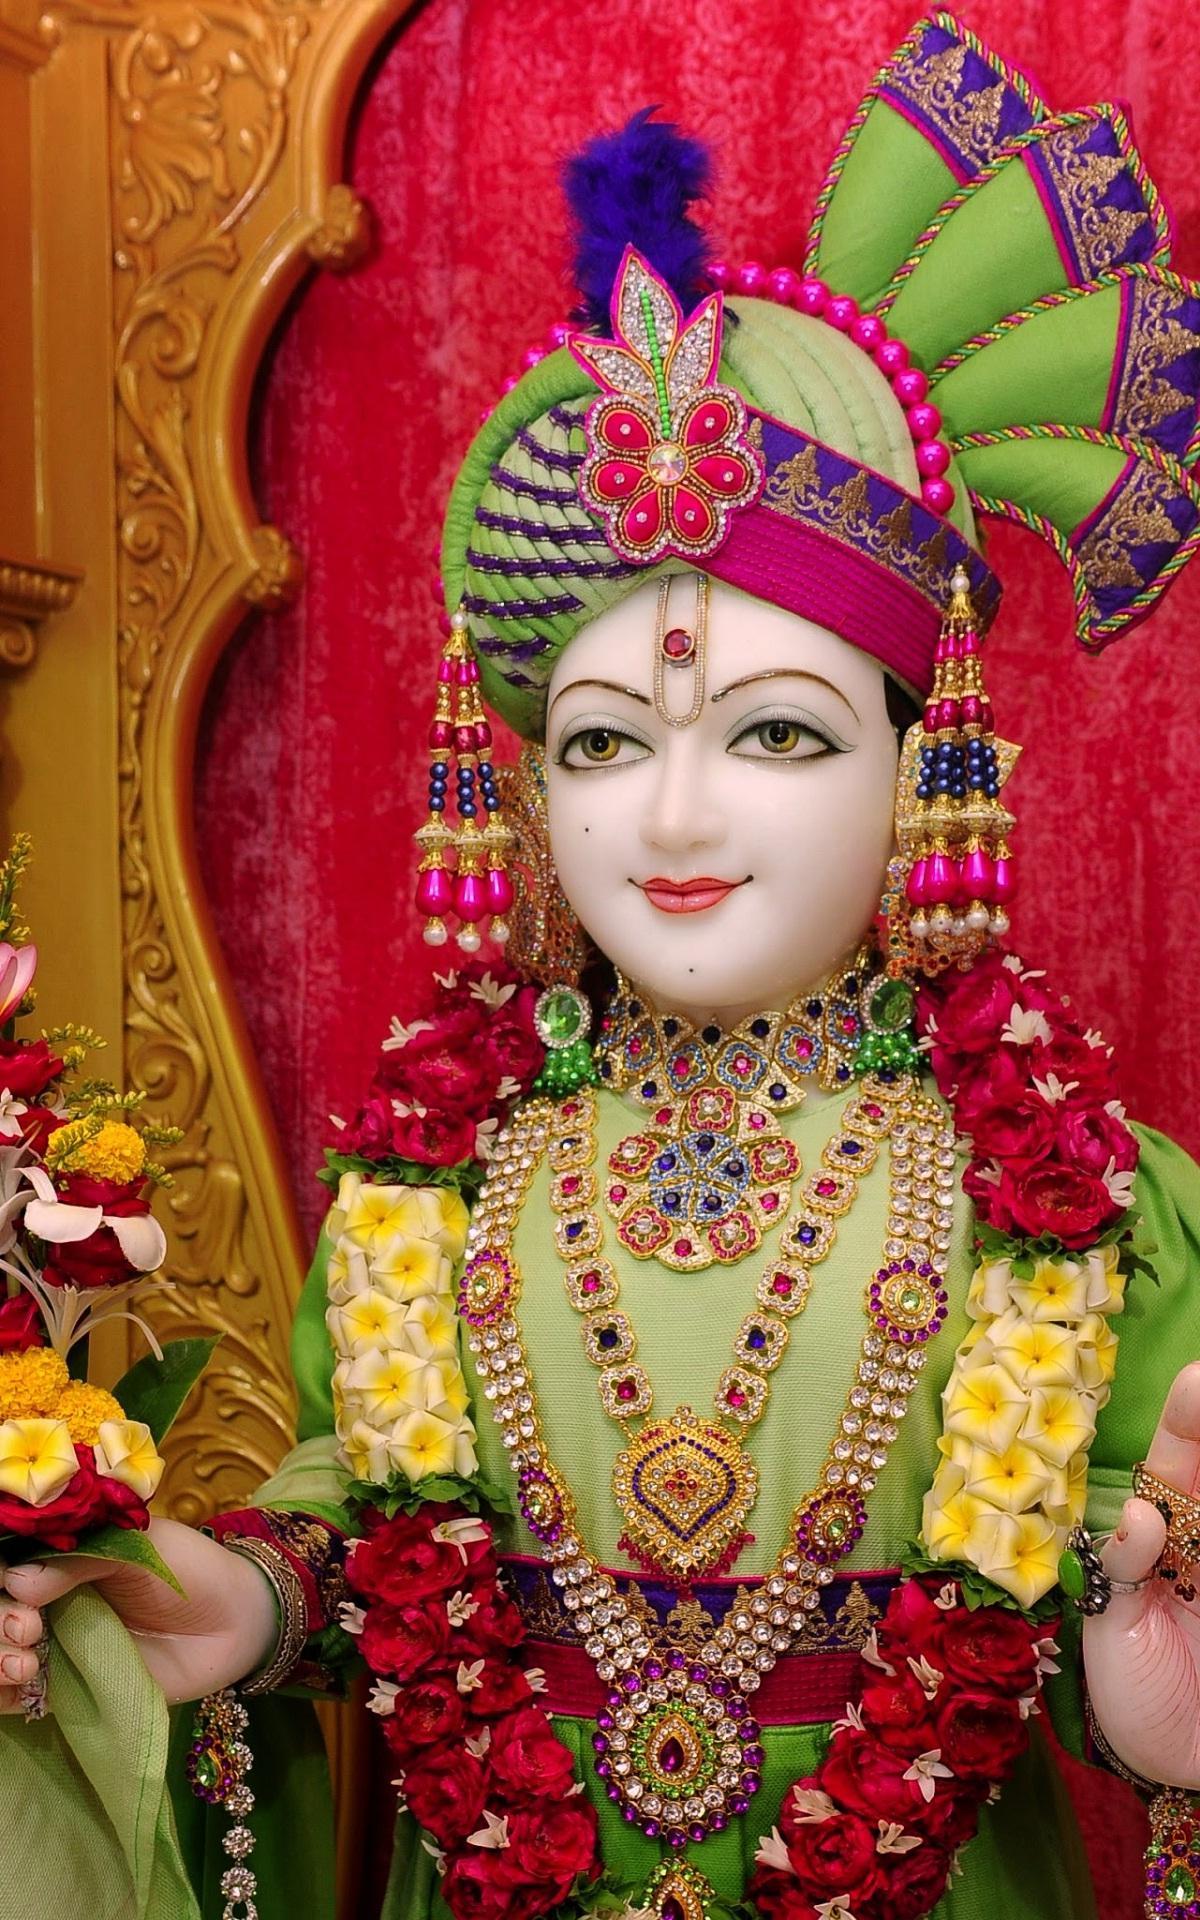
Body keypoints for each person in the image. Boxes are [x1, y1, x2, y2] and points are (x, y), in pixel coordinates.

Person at [4, 16, 1200, 1919]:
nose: (673, 814)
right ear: (525, 793)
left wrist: (1154, 1687)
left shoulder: (1072, 1194)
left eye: (780, 734)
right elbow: (364, 1533)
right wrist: (227, 1603)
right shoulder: (435, 1180)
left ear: (928, 769)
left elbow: (1119, 1602)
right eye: (603, 744)